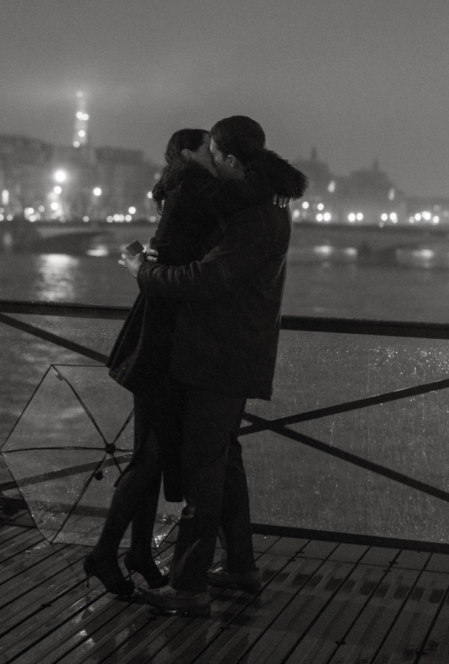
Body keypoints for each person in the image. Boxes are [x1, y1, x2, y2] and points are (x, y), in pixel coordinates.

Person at [120, 115, 306, 616]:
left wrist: (146, 270)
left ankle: (187, 586)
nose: (208, 167)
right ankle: (240, 565)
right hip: (235, 350)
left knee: (203, 472)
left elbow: (206, 279)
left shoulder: (254, 215)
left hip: (220, 355)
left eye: (212, 158)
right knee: (224, 463)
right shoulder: (267, 204)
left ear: (227, 158)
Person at [84, 127, 223, 597]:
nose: (217, 155)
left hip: (163, 339)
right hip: (163, 342)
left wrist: (144, 263)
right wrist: (145, 266)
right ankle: (106, 553)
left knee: (153, 452)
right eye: (210, 149)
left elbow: (160, 260)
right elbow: (164, 267)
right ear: (188, 153)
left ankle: (137, 552)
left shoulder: (181, 192)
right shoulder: (192, 194)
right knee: (152, 456)